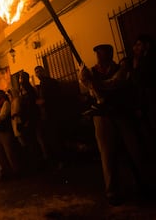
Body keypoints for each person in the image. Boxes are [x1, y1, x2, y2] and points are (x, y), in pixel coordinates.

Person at [79, 44, 149, 206]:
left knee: (133, 150)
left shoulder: (120, 69)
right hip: (102, 116)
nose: (99, 57)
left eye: (103, 54)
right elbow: (87, 89)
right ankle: (112, 191)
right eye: (98, 54)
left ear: (109, 55)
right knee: (107, 154)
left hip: (121, 113)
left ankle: (140, 185)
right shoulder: (90, 72)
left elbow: (114, 83)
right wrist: (86, 80)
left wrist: (94, 83)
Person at [34, 65, 64, 169]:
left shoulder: (51, 82)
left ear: (44, 71)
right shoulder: (42, 84)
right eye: (36, 72)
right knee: (51, 139)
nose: (38, 73)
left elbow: (57, 96)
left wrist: (45, 101)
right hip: (46, 115)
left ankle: (60, 160)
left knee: (56, 138)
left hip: (53, 114)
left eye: (39, 71)